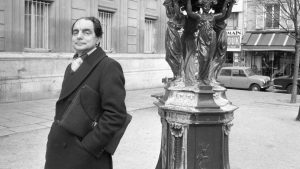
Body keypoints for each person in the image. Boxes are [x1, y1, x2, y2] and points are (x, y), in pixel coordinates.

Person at [44, 17, 127, 169]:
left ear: (98, 38)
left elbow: (116, 115)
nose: (79, 36)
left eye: (86, 32)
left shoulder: (109, 66)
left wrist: (89, 146)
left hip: (84, 157)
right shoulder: (71, 66)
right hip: (58, 150)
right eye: (75, 32)